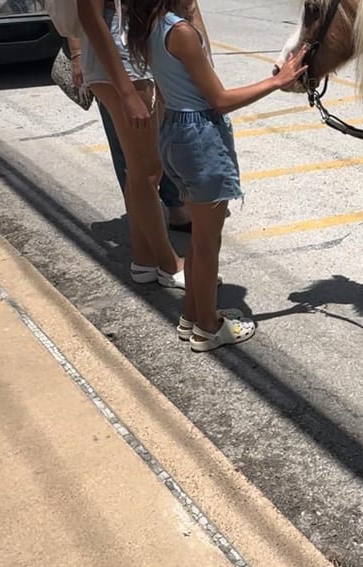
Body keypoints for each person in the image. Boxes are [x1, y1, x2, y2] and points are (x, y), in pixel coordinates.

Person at [125, 0, 308, 351]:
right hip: (200, 140)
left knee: (199, 237)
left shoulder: (148, 25)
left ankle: (193, 315)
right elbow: (220, 99)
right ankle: (208, 328)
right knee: (208, 243)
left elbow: (167, 90)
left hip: (174, 132)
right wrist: (278, 81)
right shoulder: (181, 32)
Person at [77, 0, 188, 288]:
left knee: (140, 170)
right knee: (147, 172)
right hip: (122, 67)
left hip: (135, 60)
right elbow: (89, 16)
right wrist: (126, 91)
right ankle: (169, 264)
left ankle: (144, 260)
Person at [66, 35, 191, 232]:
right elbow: (83, 13)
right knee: (129, 153)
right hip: (114, 63)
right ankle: (145, 231)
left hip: (150, 54)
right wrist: (76, 54)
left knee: (163, 139)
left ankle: (172, 205)